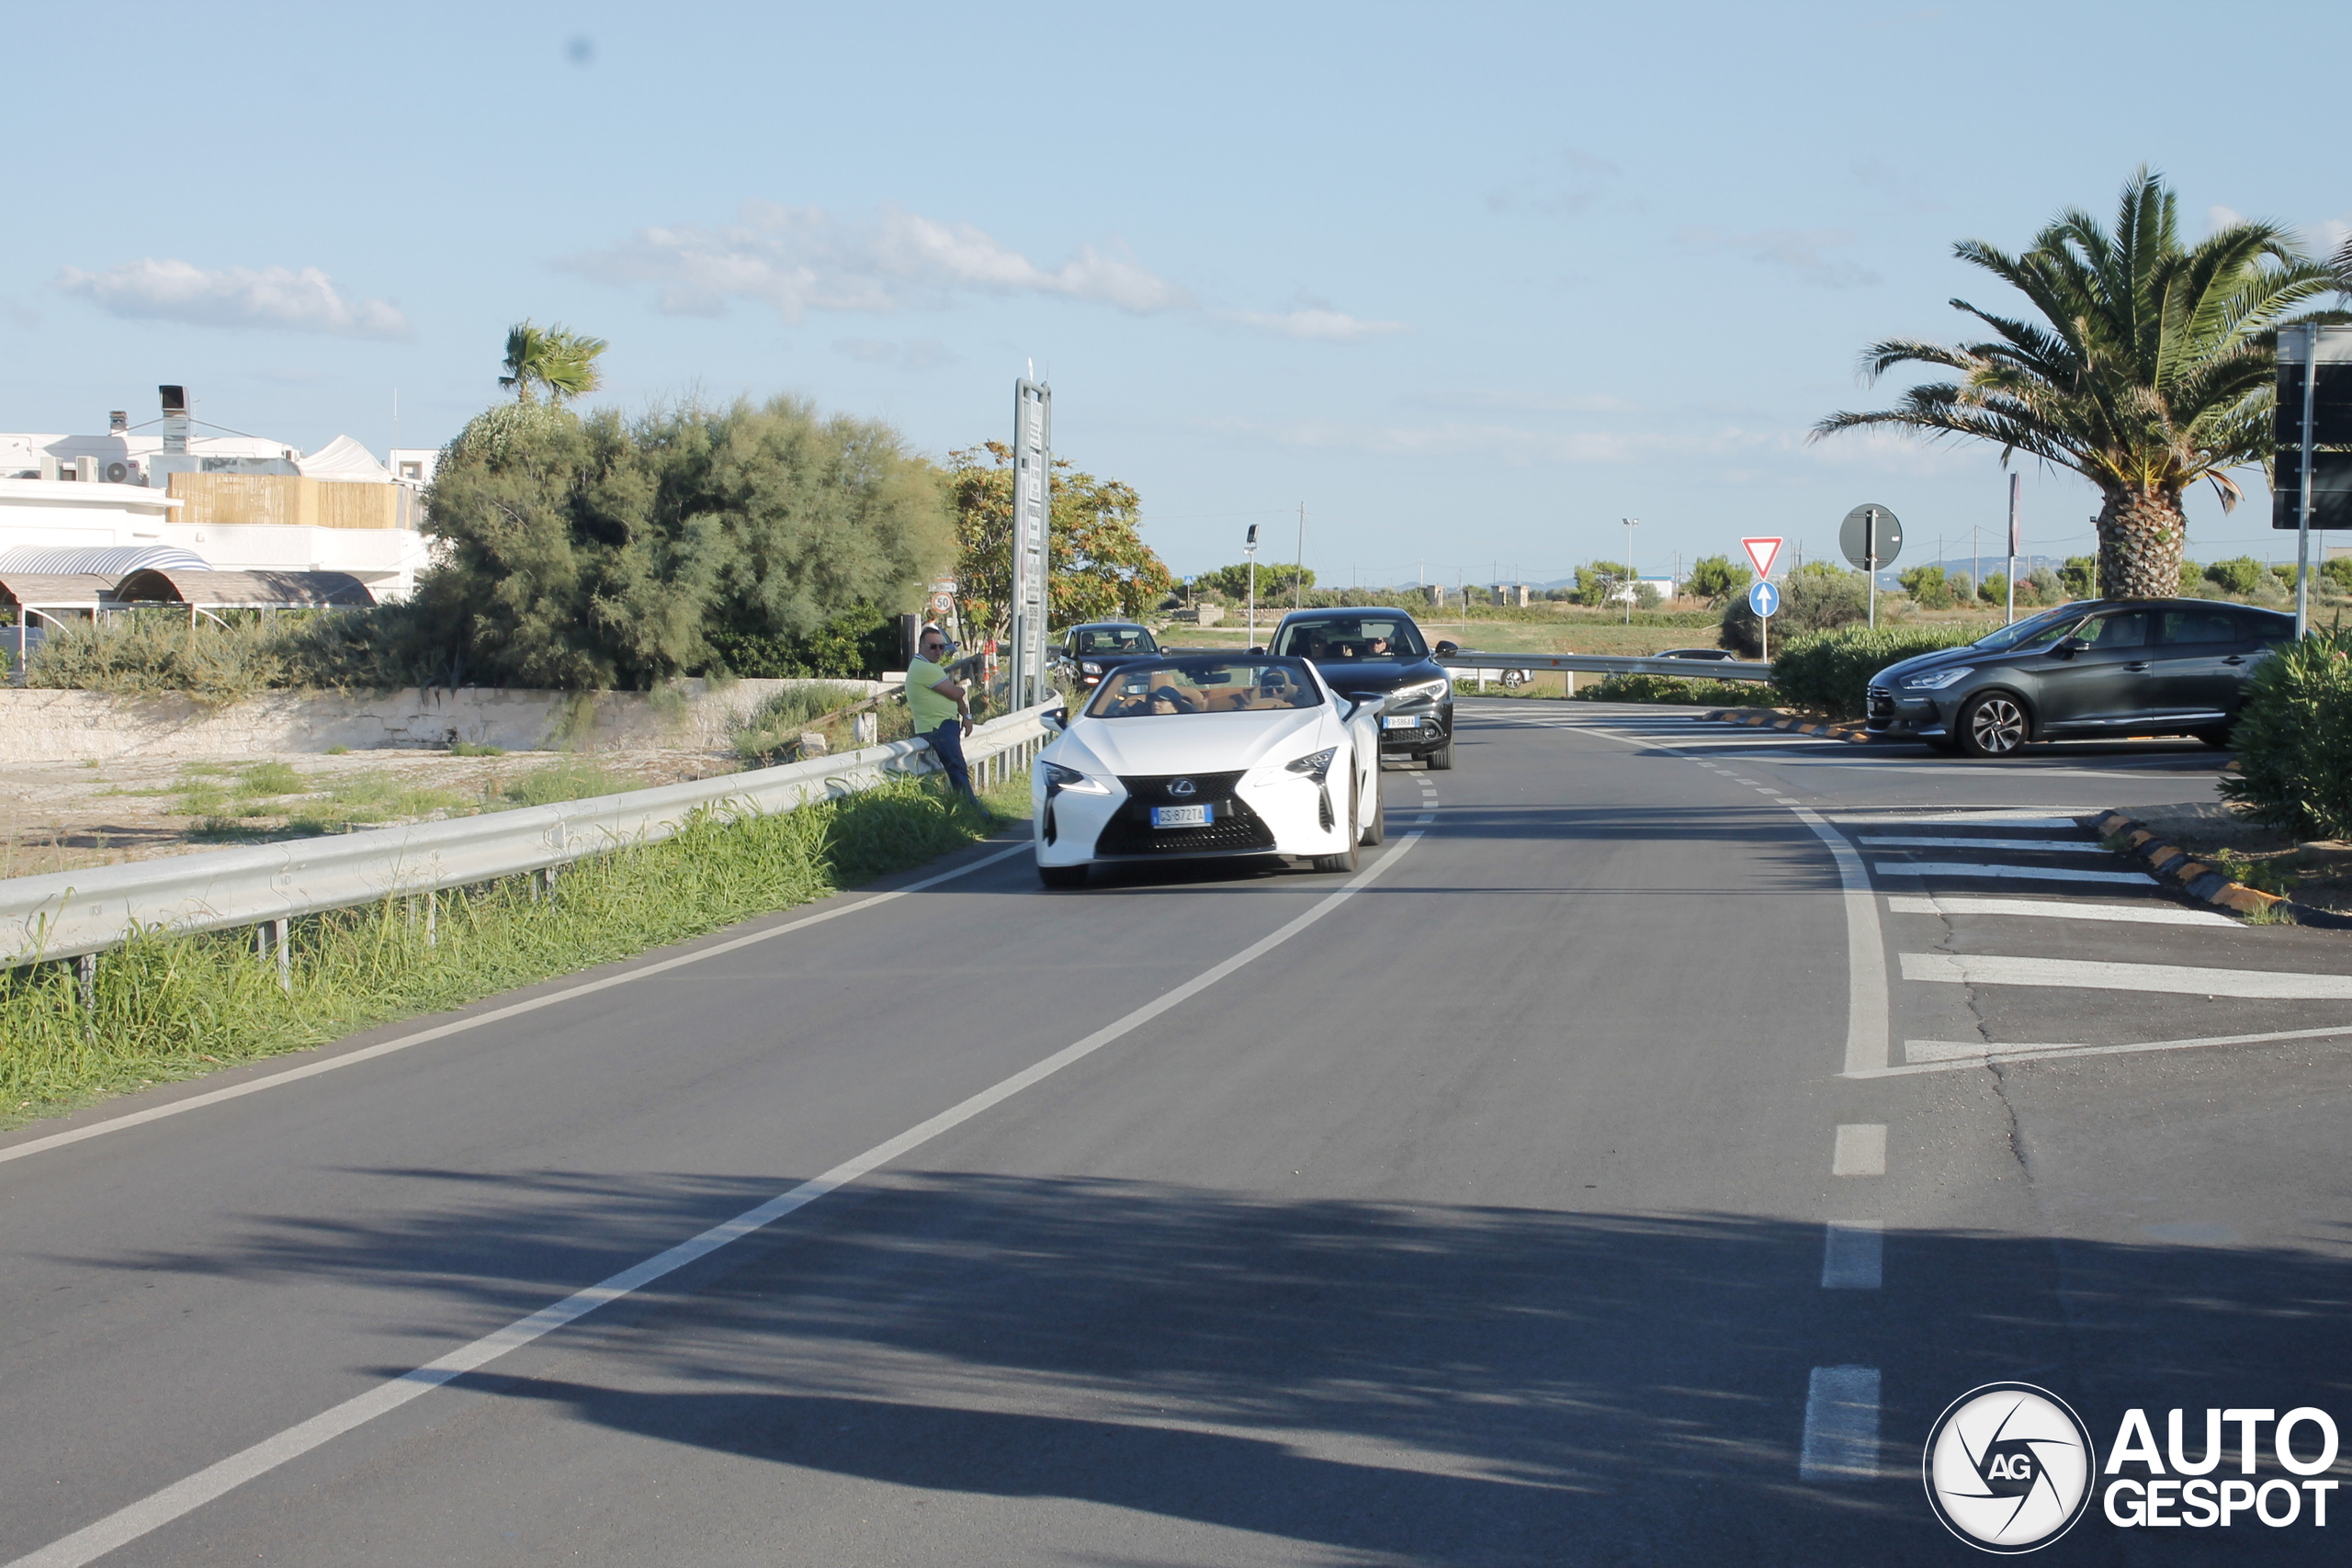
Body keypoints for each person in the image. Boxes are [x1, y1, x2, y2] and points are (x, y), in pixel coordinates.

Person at [904, 625, 977, 800]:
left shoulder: (927, 666)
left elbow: (957, 694)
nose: (938, 651)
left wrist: (966, 716)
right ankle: (973, 811)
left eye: (941, 646)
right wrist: (959, 696)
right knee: (958, 771)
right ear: (921, 646)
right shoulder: (925, 668)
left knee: (958, 769)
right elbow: (955, 693)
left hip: (941, 725)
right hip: (938, 727)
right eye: (933, 646)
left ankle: (972, 810)